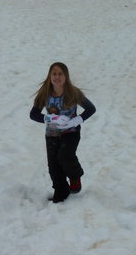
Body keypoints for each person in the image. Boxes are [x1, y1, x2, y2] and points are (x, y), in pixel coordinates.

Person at [30, 62, 96, 203]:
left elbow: (91, 109)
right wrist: (50, 118)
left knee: (65, 155)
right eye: (54, 74)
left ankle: (75, 177)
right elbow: (33, 114)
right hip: (52, 134)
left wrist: (76, 120)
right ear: (49, 76)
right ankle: (61, 192)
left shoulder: (73, 92)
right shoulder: (44, 93)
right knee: (53, 166)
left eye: (60, 74)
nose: (57, 77)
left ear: (66, 76)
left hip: (70, 132)